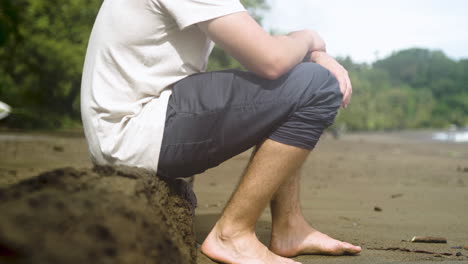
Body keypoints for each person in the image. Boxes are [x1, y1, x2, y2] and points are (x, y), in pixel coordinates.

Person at [80, 0, 361, 263]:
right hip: (136, 130)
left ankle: (290, 226)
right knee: (318, 86)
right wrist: (311, 38)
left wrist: (309, 53)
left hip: (129, 127)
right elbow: (271, 60)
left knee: (298, 74)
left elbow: (271, 51)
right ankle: (232, 235)